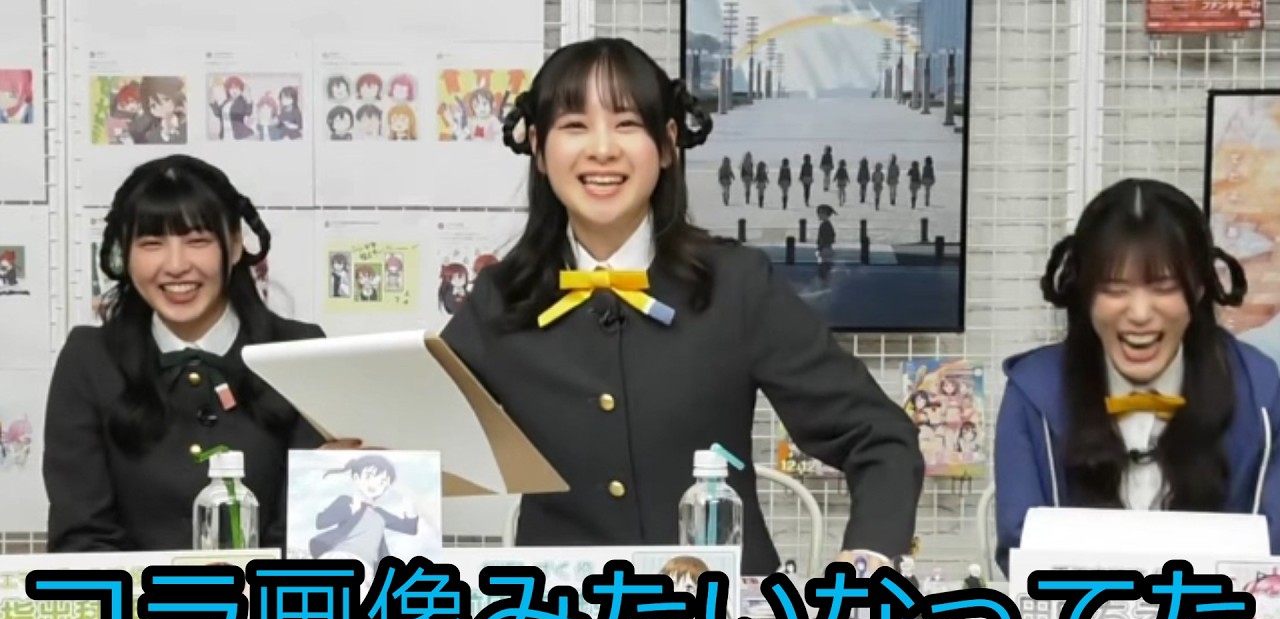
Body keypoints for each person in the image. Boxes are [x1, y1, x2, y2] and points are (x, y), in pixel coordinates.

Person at [439, 37, 924, 575]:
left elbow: (880, 438)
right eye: (575, 125)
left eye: (627, 124)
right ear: (538, 146)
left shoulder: (736, 285)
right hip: (561, 616)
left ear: (668, 143)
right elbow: (411, 440)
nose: (602, 149)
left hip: (725, 615)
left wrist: (866, 560)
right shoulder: (503, 298)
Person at [43, 154, 332, 552]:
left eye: (197, 241)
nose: (176, 266)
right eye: (152, 244)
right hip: (136, 594)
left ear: (235, 245)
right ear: (125, 253)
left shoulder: (301, 352)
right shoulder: (89, 360)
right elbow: (81, 538)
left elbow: (305, 540)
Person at [994, 178, 1280, 576]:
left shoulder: (1259, 393)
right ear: (1085, 293)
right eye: (1115, 289)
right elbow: (1020, 547)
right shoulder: (1034, 394)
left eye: (1164, 287)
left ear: (1200, 288)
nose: (1140, 314)